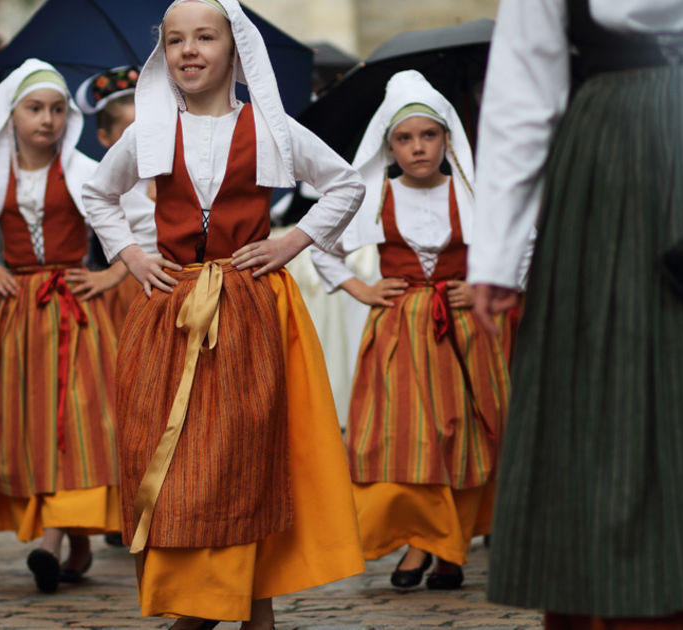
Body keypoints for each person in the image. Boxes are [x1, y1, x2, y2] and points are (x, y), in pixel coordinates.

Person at [82, 1, 367, 627]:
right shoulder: (150, 132)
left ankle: (238, 605)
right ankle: (229, 604)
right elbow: (98, 191)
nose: (189, 50)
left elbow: (346, 184)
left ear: (234, 47)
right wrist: (130, 254)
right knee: (176, 457)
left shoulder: (271, 128)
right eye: (175, 39)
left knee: (242, 455)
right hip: (172, 311)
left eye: (204, 37)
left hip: (246, 309)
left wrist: (293, 241)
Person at [469, 0, 683, 627]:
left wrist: (498, 253)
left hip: (637, 142)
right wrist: (497, 252)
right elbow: (523, 84)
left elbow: (524, 83)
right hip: (646, 152)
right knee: (637, 376)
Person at [310, 70, 508, 591]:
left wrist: (487, 284)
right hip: (398, 329)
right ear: (388, 145)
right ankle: (421, 542)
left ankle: (444, 550)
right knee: (402, 438)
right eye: (404, 138)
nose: (418, 148)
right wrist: (360, 288)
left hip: (464, 330)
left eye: (428, 135)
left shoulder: (472, 192)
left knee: (460, 434)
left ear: (446, 138)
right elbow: (319, 244)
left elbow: (523, 242)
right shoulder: (375, 196)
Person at [0, 58, 121, 595]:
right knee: (33, 423)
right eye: (35, 109)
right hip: (18, 312)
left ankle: (52, 542)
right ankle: (72, 541)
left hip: (76, 310)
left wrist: (107, 278)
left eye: (58, 109)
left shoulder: (86, 172)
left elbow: (135, 227)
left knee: (75, 422)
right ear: (11, 116)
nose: (48, 120)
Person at [75, 65, 157, 331]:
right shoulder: (106, 184)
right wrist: (117, 271)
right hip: (131, 286)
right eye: (127, 134)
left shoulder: (169, 173)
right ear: (104, 136)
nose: (138, 143)